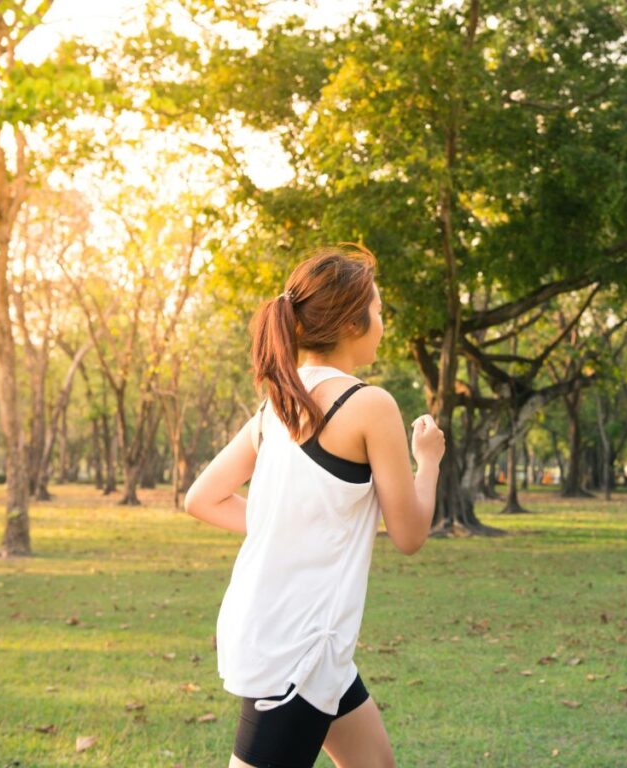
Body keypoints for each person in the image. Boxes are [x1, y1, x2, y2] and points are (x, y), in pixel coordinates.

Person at [184, 242, 445, 768]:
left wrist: (286, 528)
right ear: (351, 322)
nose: (382, 323)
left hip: (306, 641)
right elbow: (410, 534)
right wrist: (429, 459)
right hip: (295, 650)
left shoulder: (277, 404)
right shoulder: (369, 404)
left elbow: (202, 498)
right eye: (377, 311)